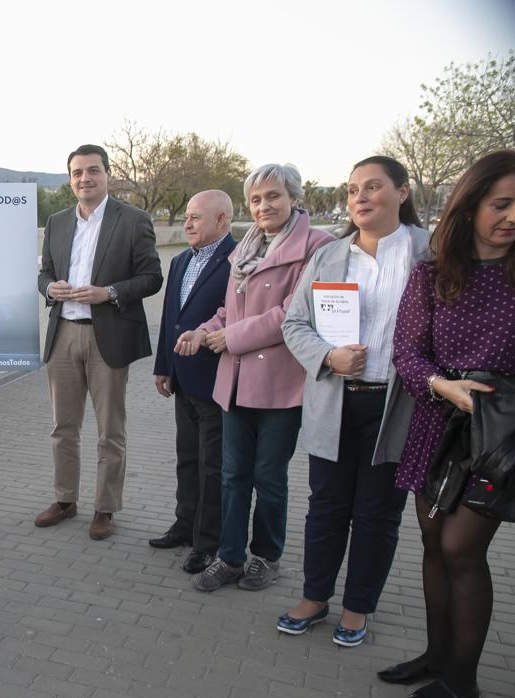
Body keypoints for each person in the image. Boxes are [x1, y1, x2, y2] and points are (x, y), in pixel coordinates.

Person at [381, 150, 515, 698]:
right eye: (501, 204)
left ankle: (463, 680)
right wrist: (441, 385)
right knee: (434, 542)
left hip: (500, 435)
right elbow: (406, 353)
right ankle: (437, 657)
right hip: (437, 425)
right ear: (470, 206)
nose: (511, 217)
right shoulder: (433, 274)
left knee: (462, 548)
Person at [280, 156, 429, 647]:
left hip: (398, 407)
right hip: (335, 401)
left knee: (377, 514)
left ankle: (358, 606)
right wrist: (328, 357)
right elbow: (293, 323)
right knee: (325, 507)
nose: (360, 198)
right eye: (351, 190)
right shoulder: (329, 255)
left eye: (372, 186)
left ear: (402, 192)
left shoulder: (430, 254)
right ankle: (314, 596)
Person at [177, 163, 333, 592]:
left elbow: (292, 315)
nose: (265, 206)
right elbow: (232, 311)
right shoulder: (245, 249)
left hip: (280, 384)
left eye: (274, 196)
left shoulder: (318, 246)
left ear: (294, 198)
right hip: (235, 380)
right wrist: (205, 330)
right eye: (257, 199)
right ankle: (229, 557)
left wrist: (231, 337)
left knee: (268, 477)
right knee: (232, 475)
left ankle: (266, 556)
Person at [35, 144, 163, 540]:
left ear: (107, 175)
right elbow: (44, 273)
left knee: (110, 430)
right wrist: (50, 288)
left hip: (107, 336)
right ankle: (65, 499)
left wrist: (108, 293)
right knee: (63, 427)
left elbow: (152, 277)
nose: (84, 179)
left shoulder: (133, 220)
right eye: (77, 173)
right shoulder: (57, 222)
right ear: (70, 179)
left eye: (93, 171)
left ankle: (105, 508)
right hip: (63, 335)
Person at [150, 190, 236, 574]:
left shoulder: (238, 260)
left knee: (212, 466)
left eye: (196, 218)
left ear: (222, 221)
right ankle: (184, 525)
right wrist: (163, 365)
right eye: (186, 216)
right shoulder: (181, 260)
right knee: (187, 459)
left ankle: (207, 541)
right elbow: (172, 317)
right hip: (182, 379)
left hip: (215, 379)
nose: (186, 224)